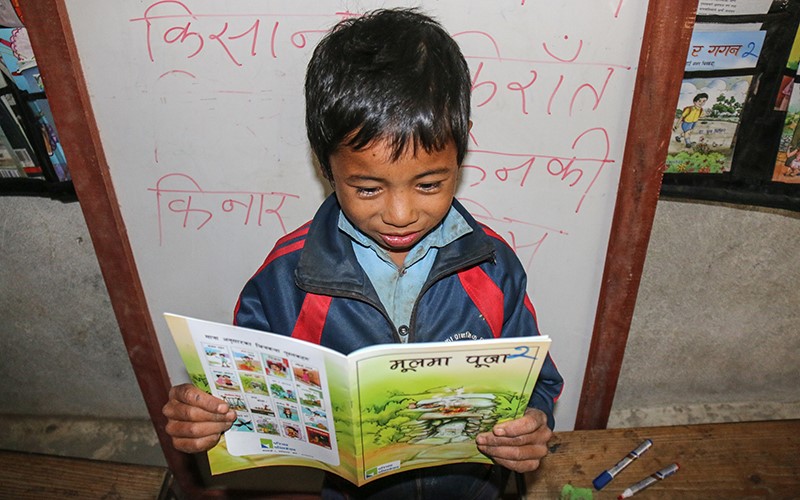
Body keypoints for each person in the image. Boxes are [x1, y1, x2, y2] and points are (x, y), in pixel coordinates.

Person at [162, 8, 563, 499]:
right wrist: (207, 418)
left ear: (460, 151)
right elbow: (246, 401)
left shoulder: (493, 265)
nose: (400, 214)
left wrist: (532, 422)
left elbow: (537, 380)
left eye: (430, 183)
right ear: (326, 164)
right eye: (368, 188)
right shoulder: (286, 278)